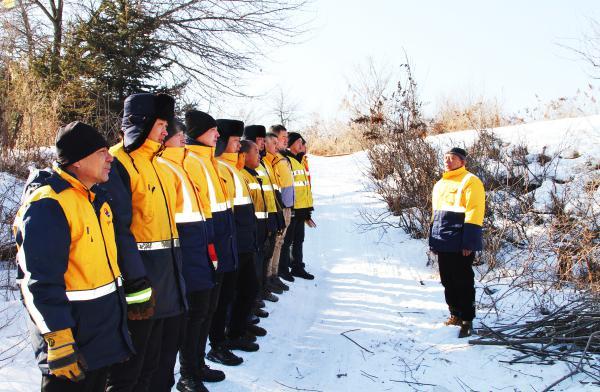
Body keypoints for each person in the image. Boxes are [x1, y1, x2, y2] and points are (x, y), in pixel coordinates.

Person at [13, 122, 133, 392]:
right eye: (102, 151)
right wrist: (58, 338)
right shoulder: (49, 204)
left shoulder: (95, 200)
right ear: (78, 160)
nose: (110, 157)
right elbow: (37, 281)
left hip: (99, 343)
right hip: (71, 349)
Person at [104, 93, 187, 391]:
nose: (167, 131)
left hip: (167, 280)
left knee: (157, 364)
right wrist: (137, 282)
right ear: (144, 123)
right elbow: (118, 231)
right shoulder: (117, 163)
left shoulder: (159, 164)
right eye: (162, 124)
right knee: (130, 371)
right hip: (140, 284)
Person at [155, 120, 223, 392]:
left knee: (204, 310)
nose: (183, 137)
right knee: (193, 314)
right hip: (186, 253)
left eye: (184, 133)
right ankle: (187, 374)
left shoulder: (182, 165)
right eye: (177, 133)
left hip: (200, 249)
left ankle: (196, 364)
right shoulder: (165, 168)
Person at [183, 110, 243, 366]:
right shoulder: (192, 162)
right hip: (209, 248)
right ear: (198, 133)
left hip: (222, 244)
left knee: (215, 306)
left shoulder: (212, 162)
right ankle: (193, 367)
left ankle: (207, 356)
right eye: (212, 131)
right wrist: (211, 250)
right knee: (201, 312)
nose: (217, 135)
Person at [429, 147, 485, 338]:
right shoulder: (440, 184)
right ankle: (455, 314)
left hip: (461, 242)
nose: (448, 161)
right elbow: (435, 215)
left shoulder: (471, 181)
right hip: (443, 241)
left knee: (463, 281)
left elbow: (474, 212)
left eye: (452, 158)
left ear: (462, 162)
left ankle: (468, 320)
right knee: (447, 280)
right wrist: (434, 240)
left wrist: (469, 243)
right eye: (445, 157)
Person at [215, 119, 261, 353]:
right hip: (234, 244)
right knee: (232, 294)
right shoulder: (221, 169)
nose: (237, 147)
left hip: (243, 242)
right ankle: (230, 334)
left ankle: (238, 328)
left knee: (249, 288)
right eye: (234, 142)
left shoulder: (234, 169)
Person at [279, 132, 315, 280]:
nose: (302, 144)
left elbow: (304, 187)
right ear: (291, 143)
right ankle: (285, 268)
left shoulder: (299, 160)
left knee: (298, 240)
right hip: (293, 208)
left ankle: (297, 266)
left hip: (301, 209)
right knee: (287, 241)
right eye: (299, 141)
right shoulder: (287, 160)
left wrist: (307, 212)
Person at [265, 125, 295, 283]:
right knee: (275, 243)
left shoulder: (283, 158)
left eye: (286, 138)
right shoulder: (272, 160)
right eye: (283, 137)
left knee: (280, 242)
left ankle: (274, 274)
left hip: (287, 207)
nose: (285, 141)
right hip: (279, 208)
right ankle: (270, 275)